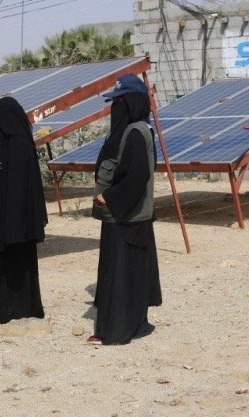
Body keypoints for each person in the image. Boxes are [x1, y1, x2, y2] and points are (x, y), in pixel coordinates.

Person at [88, 74, 162, 346]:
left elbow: (136, 175)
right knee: (130, 275)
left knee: (120, 276)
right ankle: (133, 325)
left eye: (118, 102)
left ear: (129, 103)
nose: (114, 109)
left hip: (126, 217)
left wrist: (109, 197)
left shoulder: (134, 132)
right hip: (129, 216)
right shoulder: (138, 129)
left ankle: (117, 331)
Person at [0, 96, 47, 324]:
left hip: (12, 225)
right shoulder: (13, 144)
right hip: (13, 224)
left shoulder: (17, 147)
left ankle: (12, 308)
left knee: (11, 264)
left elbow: (17, 191)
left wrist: (7, 226)